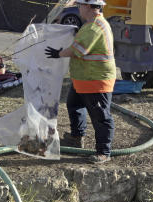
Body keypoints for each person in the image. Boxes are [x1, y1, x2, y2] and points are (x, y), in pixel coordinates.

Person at [45, 0, 117, 164]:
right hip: (84, 79)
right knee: (74, 105)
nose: (78, 8)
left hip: (96, 80)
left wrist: (59, 53)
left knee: (101, 117)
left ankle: (103, 152)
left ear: (91, 7)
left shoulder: (94, 27)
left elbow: (79, 51)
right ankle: (76, 138)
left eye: (81, 5)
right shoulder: (91, 24)